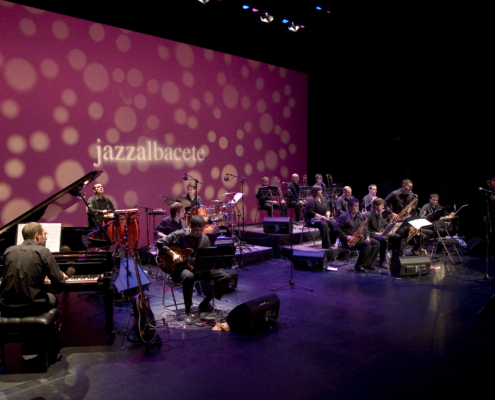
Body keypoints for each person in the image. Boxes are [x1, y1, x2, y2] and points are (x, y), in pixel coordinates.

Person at [156, 216, 231, 324]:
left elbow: (206, 258)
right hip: (179, 269)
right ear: (190, 226)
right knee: (188, 276)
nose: (199, 233)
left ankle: (205, 304)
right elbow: (160, 243)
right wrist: (173, 254)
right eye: (197, 230)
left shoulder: (204, 238)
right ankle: (187, 311)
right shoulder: (180, 234)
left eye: (201, 230)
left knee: (225, 276)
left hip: (198, 269)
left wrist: (212, 263)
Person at [0, 222, 67, 317]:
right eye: (45, 234)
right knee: (53, 298)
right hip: (32, 305)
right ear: (37, 236)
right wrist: (60, 274)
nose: (46, 238)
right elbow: (59, 281)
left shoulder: (8, 251)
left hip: (6, 305)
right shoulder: (43, 251)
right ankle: (44, 330)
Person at [334, 198, 380, 273]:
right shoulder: (344, 216)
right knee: (367, 246)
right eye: (355, 206)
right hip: (348, 241)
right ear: (349, 207)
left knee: (376, 243)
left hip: (359, 238)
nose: (357, 208)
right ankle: (358, 266)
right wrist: (347, 237)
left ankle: (369, 264)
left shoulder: (359, 216)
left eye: (358, 206)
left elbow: (365, 227)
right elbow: (336, 229)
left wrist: (367, 236)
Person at [365, 198, 402, 268]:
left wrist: (390, 224)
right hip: (372, 234)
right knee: (383, 239)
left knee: (397, 236)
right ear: (375, 206)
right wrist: (377, 233)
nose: (383, 207)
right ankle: (382, 261)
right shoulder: (368, 215)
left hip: (381, 233)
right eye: (381, 205)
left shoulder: (380, 215)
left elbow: (385, 226)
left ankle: (395, 259)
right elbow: (365, 229)